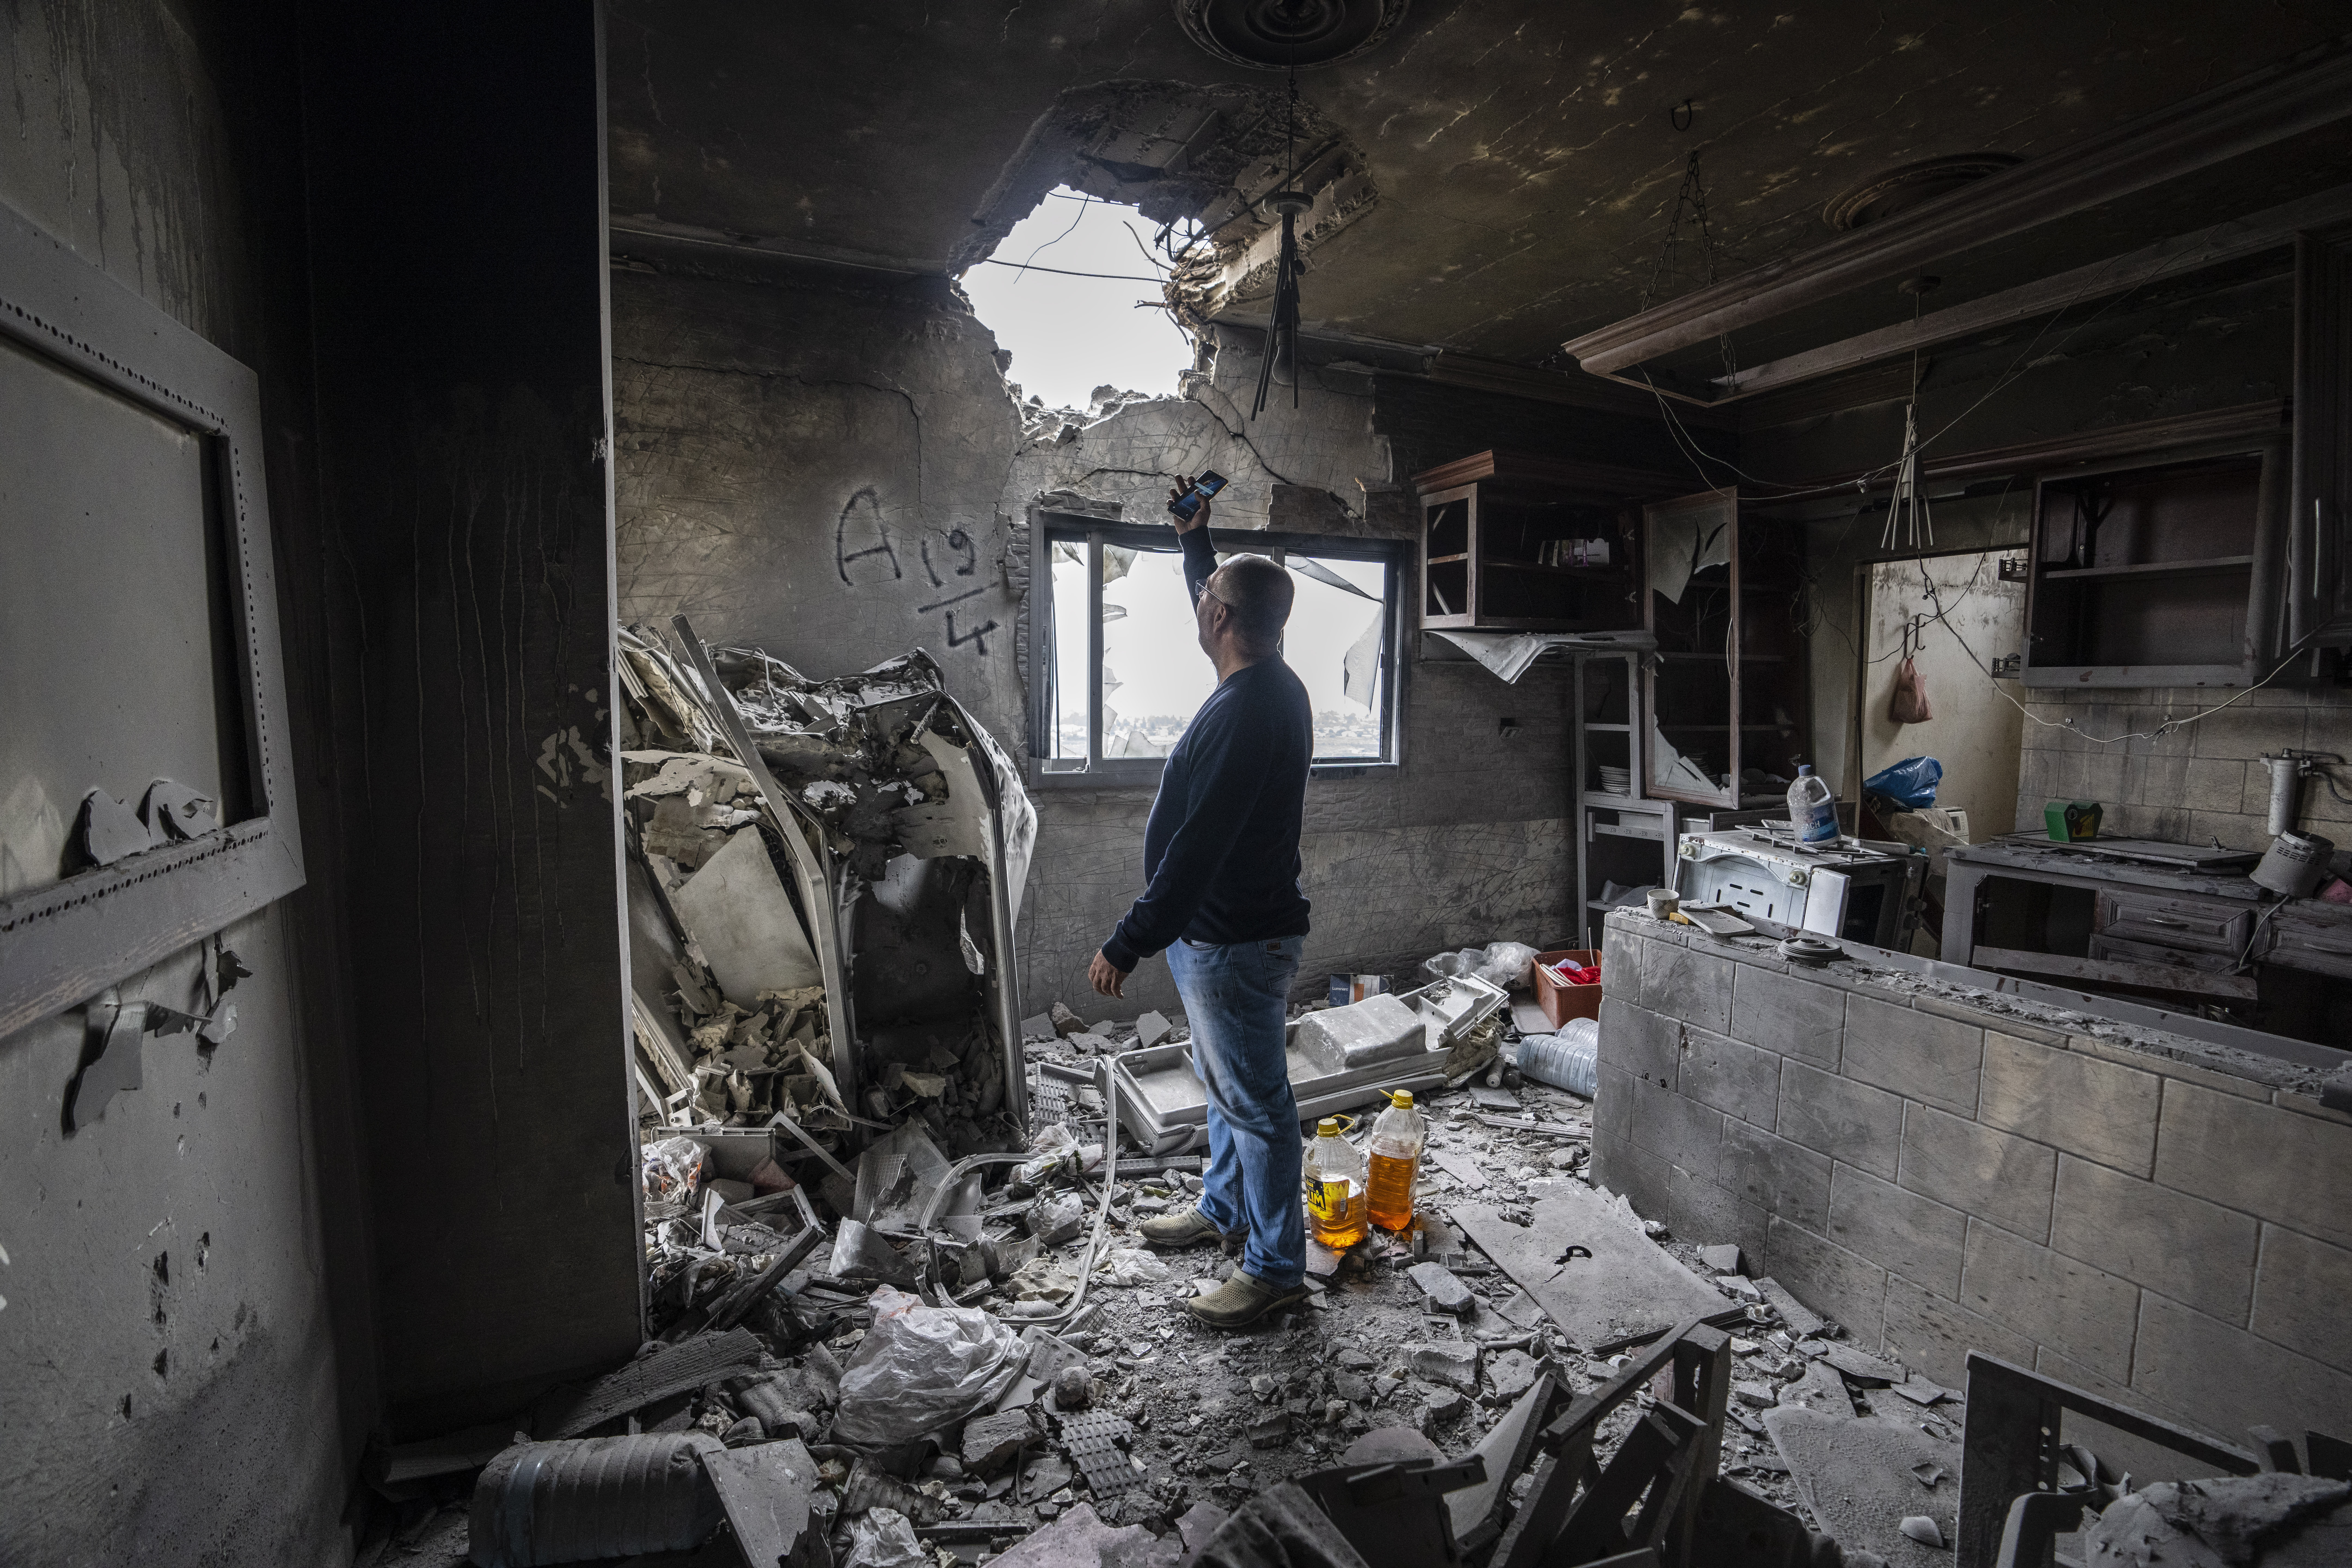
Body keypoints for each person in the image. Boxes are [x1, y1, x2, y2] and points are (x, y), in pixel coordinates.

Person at [1088, 475, 1314, 1330]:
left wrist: (1130, 940)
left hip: (1233, 940)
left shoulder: (1248, 712)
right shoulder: (1266, 677)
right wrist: (1198, 547)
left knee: (1258, 1106)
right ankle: (1225, 1211)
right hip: (1219, 936)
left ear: (1221, 621)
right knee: (1230, 1091)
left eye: (1206, 599)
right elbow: (1225, 600)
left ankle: (1276, 1269)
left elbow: (1199, 847)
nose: (1199, 606)